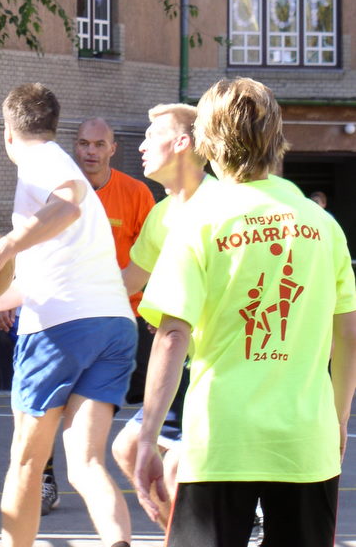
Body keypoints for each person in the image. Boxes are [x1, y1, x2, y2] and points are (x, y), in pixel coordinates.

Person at [134, 77, 356, 547]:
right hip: (305, 441)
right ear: (276, 136)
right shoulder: (324, 226)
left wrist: (147, 437)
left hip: (221, 438)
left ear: (206, 140)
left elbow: (172, 336)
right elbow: (349, 335)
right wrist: (338, 420)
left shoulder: (198, 221)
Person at [0, 82, 137, 547]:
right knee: (85, 464)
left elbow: (66, 205)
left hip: (60, 330)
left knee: (27, 463)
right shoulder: (59, 167)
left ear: (8, 134)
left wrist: (0, 250)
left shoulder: (41, 162)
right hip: (114, 326)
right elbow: (42, 275)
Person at [111, 102, 212, 529]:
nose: (142, 146)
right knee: (127, 448)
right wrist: (40, 297)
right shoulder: (162, 213)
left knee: (174, 468)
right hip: (179, 361)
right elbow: (127, 281)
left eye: (152, 136)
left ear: (183, 142)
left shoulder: (221, 205)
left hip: (214, 362)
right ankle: (183, 534)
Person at [74, 117, 155, 403]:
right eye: (84, 143)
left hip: (129, 314)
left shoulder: (136, 193)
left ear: (113, 149)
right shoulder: (60, 191)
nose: (91, 151)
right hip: (75, 314)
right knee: (85, 398)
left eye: (99, 144)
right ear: (75, 146)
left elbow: (158, 256)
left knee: (142, 395)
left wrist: (159, 308)